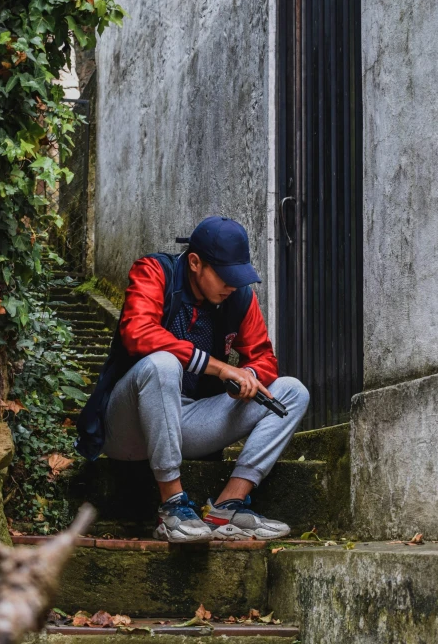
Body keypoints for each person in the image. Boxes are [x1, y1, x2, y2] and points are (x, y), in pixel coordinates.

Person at [75, 216, 310, 543]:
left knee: (293, 392)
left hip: (187, 423)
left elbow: (263, 356)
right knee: (163, 365)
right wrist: (220, 367)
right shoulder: (155, 272)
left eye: (237, 276)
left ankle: (228, 507)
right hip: (128, 426)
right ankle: (173, 507)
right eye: (225, 276)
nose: (232, 285)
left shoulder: (238, 297)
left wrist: (250, 375)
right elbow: (137, 332)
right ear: (196, 262)